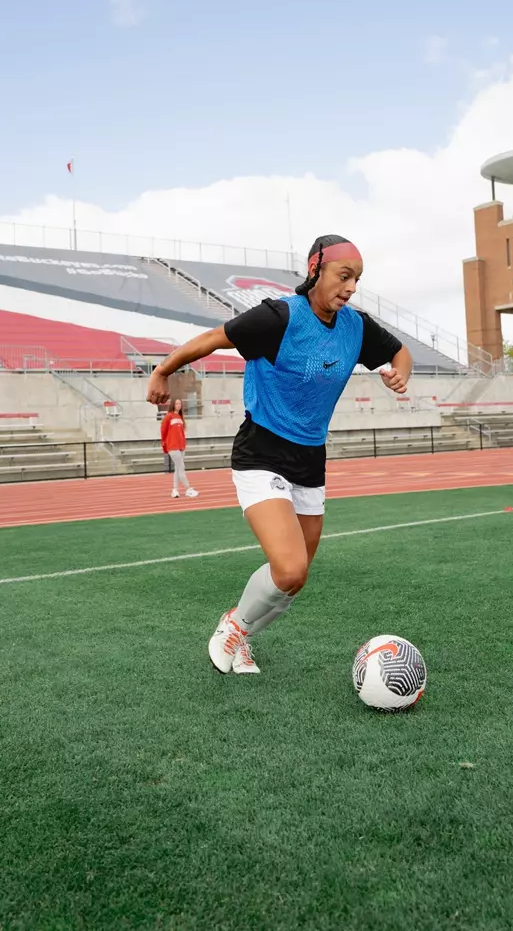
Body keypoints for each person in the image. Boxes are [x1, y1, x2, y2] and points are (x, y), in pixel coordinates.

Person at [147, 234, 413, 675]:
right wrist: (162, 370)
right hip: (262, 451)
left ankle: (244, 637)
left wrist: (398, 376)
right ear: (315, 271)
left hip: (311, 459)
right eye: (343, 276)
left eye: (357, 280)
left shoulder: (356, 327)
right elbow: (215, 338)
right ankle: (233, 626)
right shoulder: (278, 317)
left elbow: (399, 352)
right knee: (287, 568)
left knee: (296, 578)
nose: (350, 288)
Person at [160, 397, 199, 499]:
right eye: (177, 404)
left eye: (180, 404)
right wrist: (164, 444)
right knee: (181, 467)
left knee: (178, 469)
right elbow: (163, 431)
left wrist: (183, 444)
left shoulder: (181, 417)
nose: (178, 405)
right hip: (172, 447)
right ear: (173, 404)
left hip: (181, 446)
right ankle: (188, 489)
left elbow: (181, 433)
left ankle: (175, 490)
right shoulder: (169, 416)